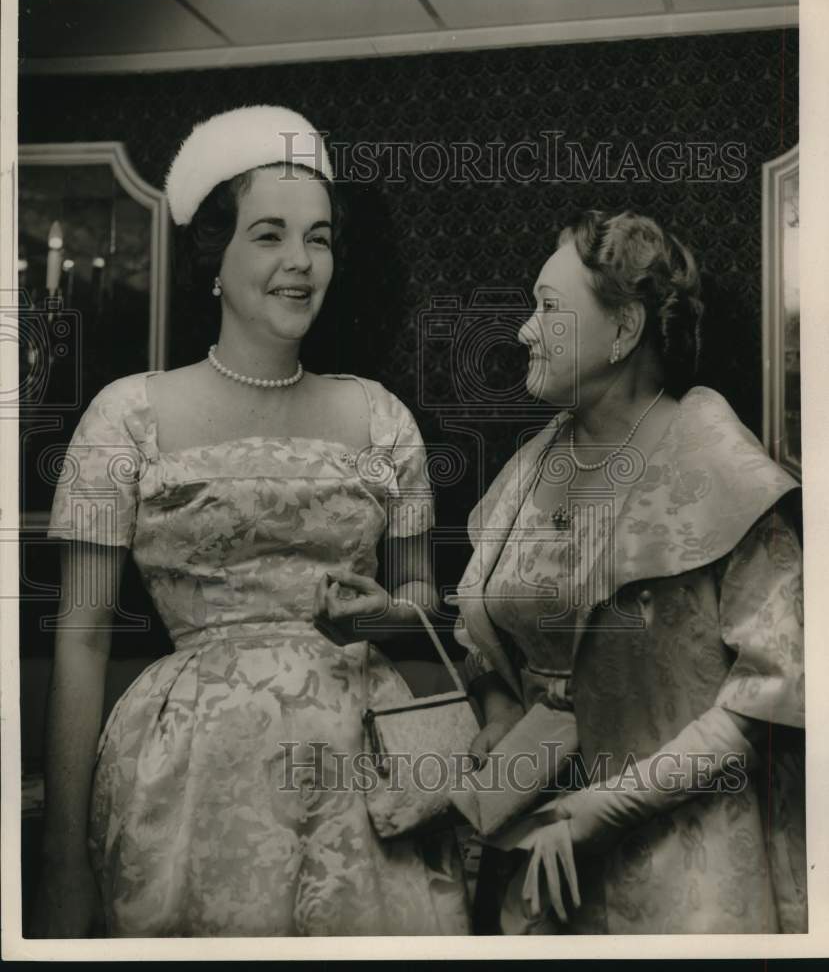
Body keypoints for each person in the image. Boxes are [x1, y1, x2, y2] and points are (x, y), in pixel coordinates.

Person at [34, 105, 470, 938]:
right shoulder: (126, 416)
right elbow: (81, 638)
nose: (300, 263)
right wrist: (60, 864)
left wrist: (388, 611)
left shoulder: (383, 420)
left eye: (319, 237)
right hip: (192, 780)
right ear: (215, 255)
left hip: (361, 777)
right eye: (269, 235)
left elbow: (422, 603)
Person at [452, 210, 806, 934]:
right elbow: (487, 640)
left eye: (548, 309)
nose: (523, 330)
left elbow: (772, 694)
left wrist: (604, 807)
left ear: (623, 330)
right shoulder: (530, 468)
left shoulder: (715, 463)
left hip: (687, 864)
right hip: (537, 855)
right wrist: (498, 714)